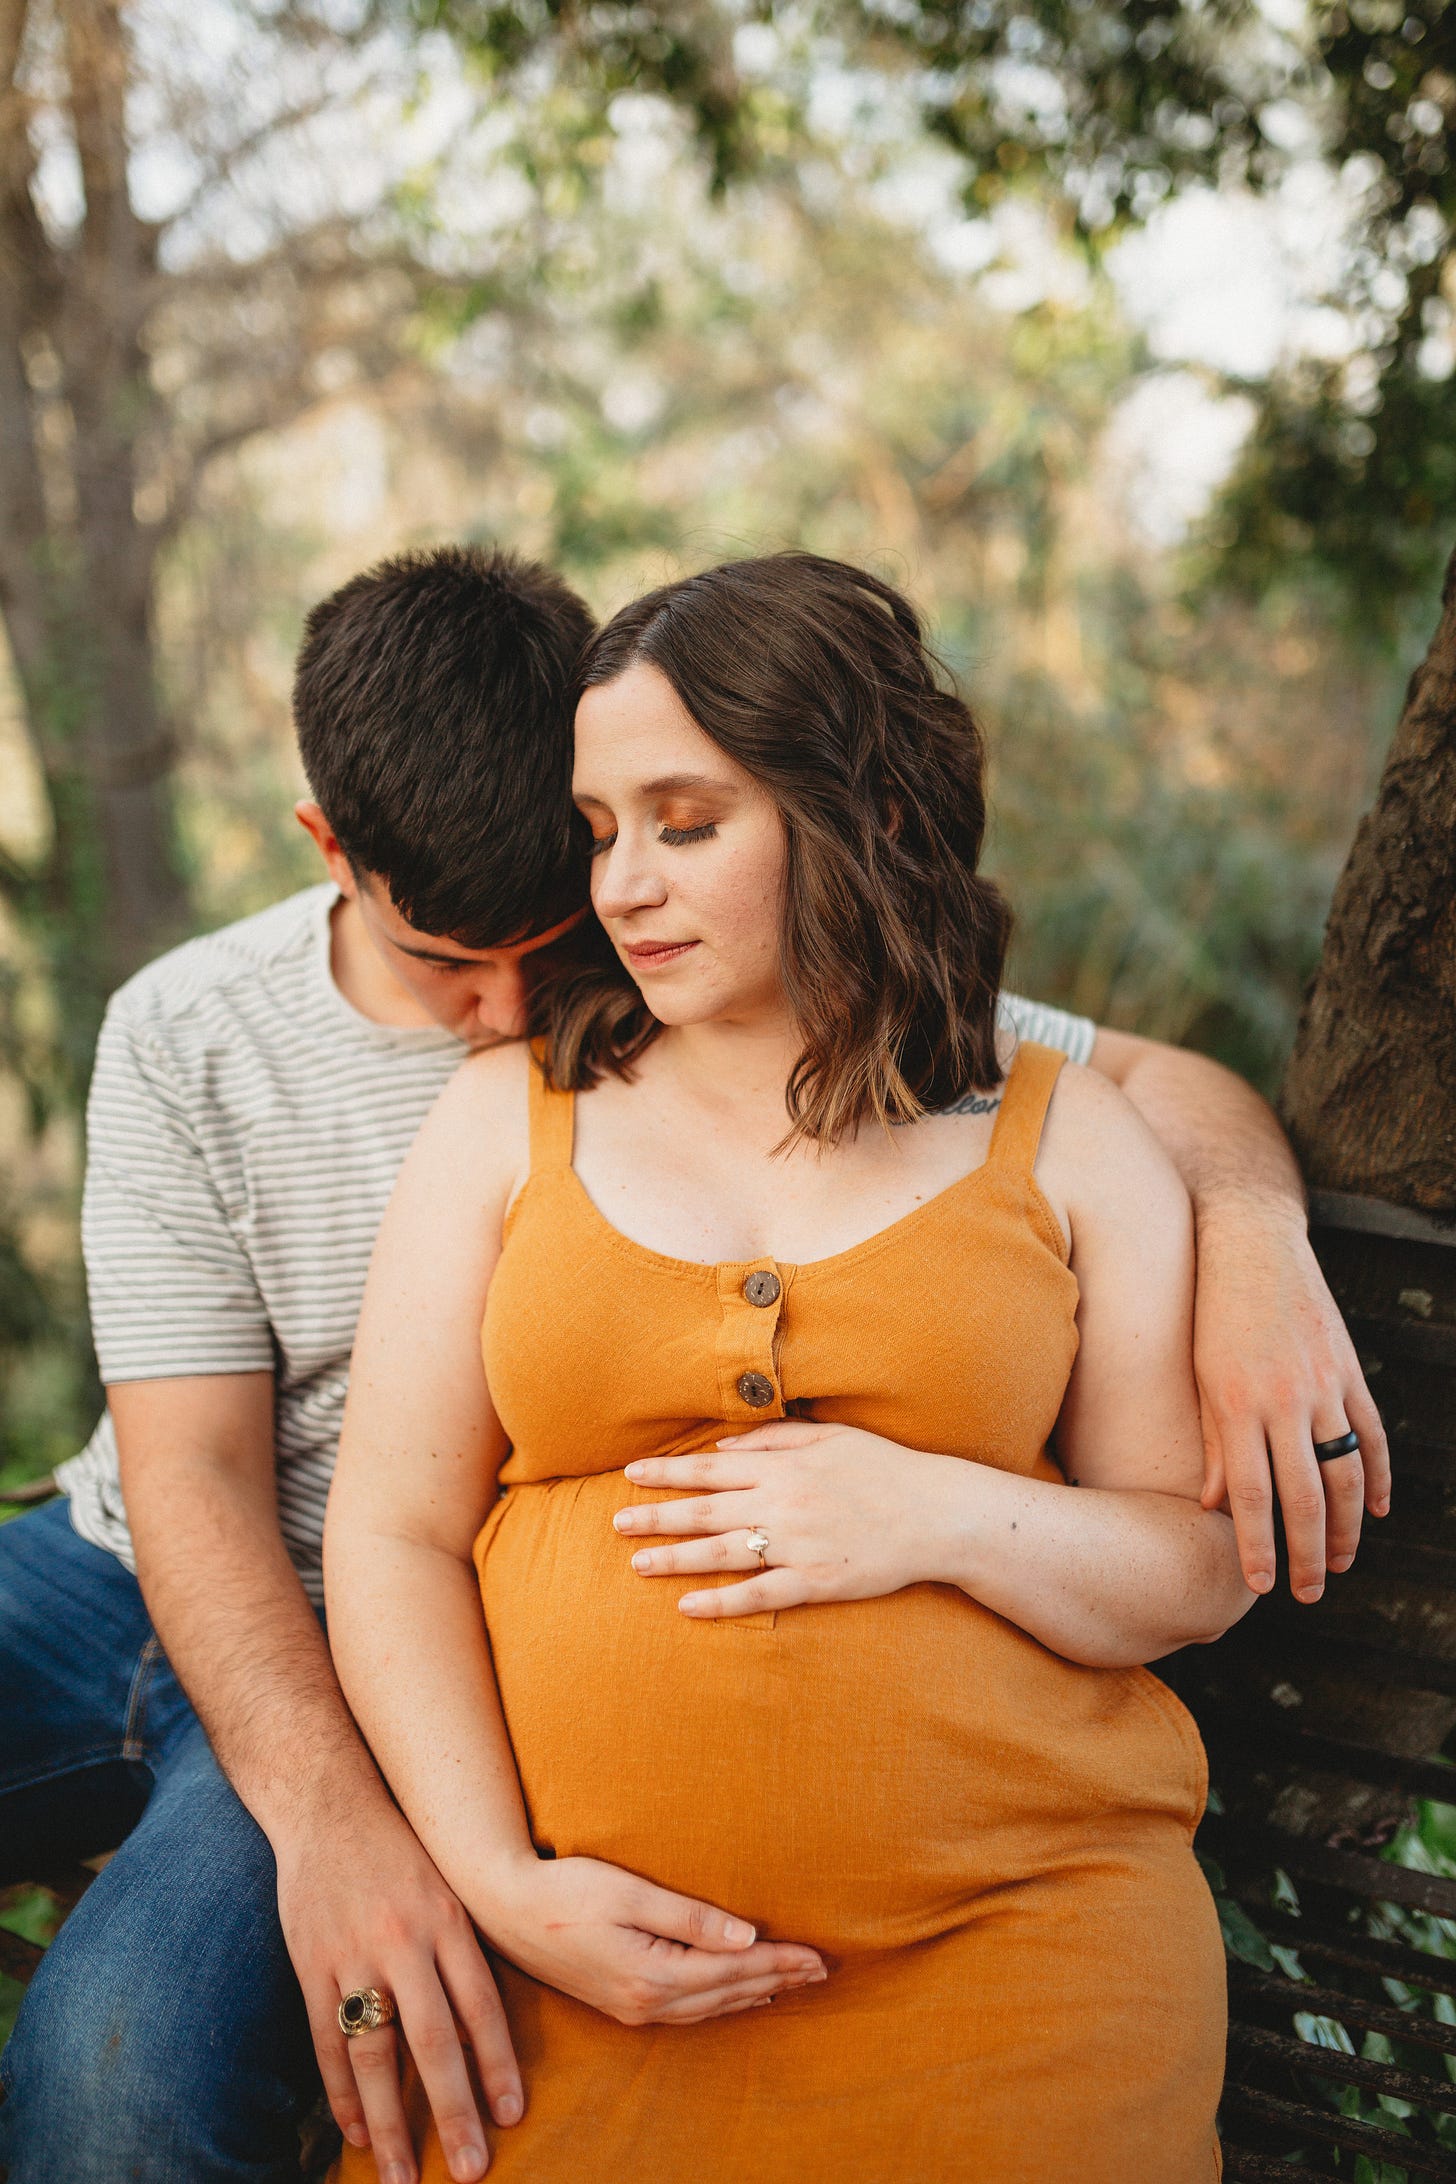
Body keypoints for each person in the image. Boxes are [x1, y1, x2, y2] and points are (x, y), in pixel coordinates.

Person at [0, 542, 1384, 2184]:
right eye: (588, 849)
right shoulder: (221, 1034)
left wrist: (1246, 1232)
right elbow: (219, 1489)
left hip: (929, 1913)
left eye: (664, 833)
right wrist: (407, 1847)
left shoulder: (880, 1044)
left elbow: (1136, 1095)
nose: (536, 988)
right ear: (332, 853)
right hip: (208, 1607)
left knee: (117, 2081)